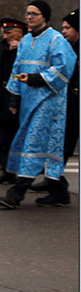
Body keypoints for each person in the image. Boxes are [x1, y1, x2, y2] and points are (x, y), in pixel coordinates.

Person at [0, 0, 76, 209]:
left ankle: (16, 193)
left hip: (48, 101)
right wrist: (13, 97)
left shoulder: (56, 40)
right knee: (43, 146)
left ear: (45, 17)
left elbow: (65, 68)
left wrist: (35, 78)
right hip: (28, 101)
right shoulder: (24, 41)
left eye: (35, 13)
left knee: (33, 143)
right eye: (28, 13)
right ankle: (59, 190)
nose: (30, 17)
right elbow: (17, 68)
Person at [0, 16, 26, 179]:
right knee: (2, 137)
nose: (5, 35)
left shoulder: (24, 46)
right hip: (1, 95)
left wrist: (15, 51)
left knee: (13, 136)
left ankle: (16, 171)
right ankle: (7, 170)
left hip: (15, 97)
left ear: (18, 33)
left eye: (9, 33)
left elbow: (17, 75)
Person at [59, 10, 79, 204]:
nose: (63, 31)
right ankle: (55, 181)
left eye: (68, 28)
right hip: (71, 105)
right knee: (64, 144)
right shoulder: (70, 48)